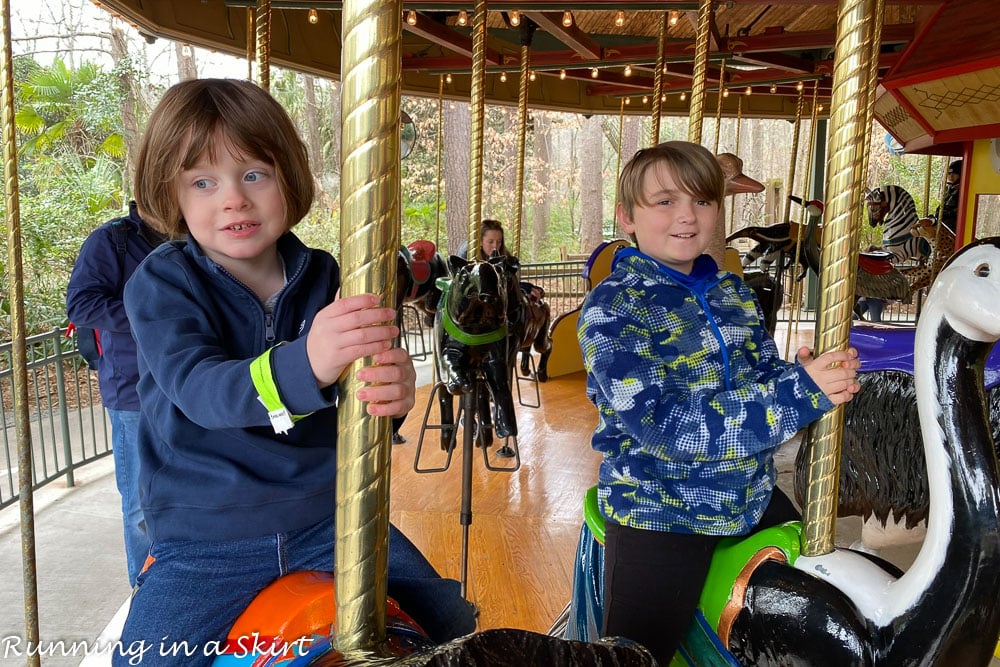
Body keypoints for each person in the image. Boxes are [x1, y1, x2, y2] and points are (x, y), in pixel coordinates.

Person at [116, 79, 475, 665]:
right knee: (147, 658)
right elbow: (203, 391)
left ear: (289, 178)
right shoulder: (162, 284)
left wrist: (393, 391)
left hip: (325, 516)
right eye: (203, 182)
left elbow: (361, 396)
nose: (233, 199)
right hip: (208, 537)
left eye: (253, 173)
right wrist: (307, 362)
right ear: (171, 195)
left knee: (451, 620)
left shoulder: (327, 274)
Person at [576, 141, 861, 664]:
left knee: (827, 593)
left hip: (748, 496)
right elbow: (666, 427)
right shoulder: (614, 308)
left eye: (703, 201)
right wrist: (799, 393)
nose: (687, 216)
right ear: (627, 217)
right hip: (661, 510)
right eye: (664, 201)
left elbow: (762, 375)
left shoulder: (733, 292)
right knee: (635, 655)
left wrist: (800, 374)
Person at [65, 201, 166, 586]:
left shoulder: (193, 232)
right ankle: (144, 592)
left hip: (188, 380)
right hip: (132, 387)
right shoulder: (112, 241)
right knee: (140, 503)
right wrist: (153, 318)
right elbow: (82, 304)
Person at [939, 159, 962, 230]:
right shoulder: (949, 188)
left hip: (954, 221)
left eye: (955, 174)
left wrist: (948, 213)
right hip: (945, 218)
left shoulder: (962, 189)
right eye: (949, 174)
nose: (951, 176)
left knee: (947, 225)